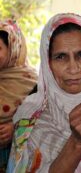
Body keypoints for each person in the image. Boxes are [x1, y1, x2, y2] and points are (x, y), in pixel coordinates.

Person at [0, 20, 37, 172]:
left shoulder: (32, 83)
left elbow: (46, 119)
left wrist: (16, 128)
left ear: (13, 49)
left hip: (19, 158)